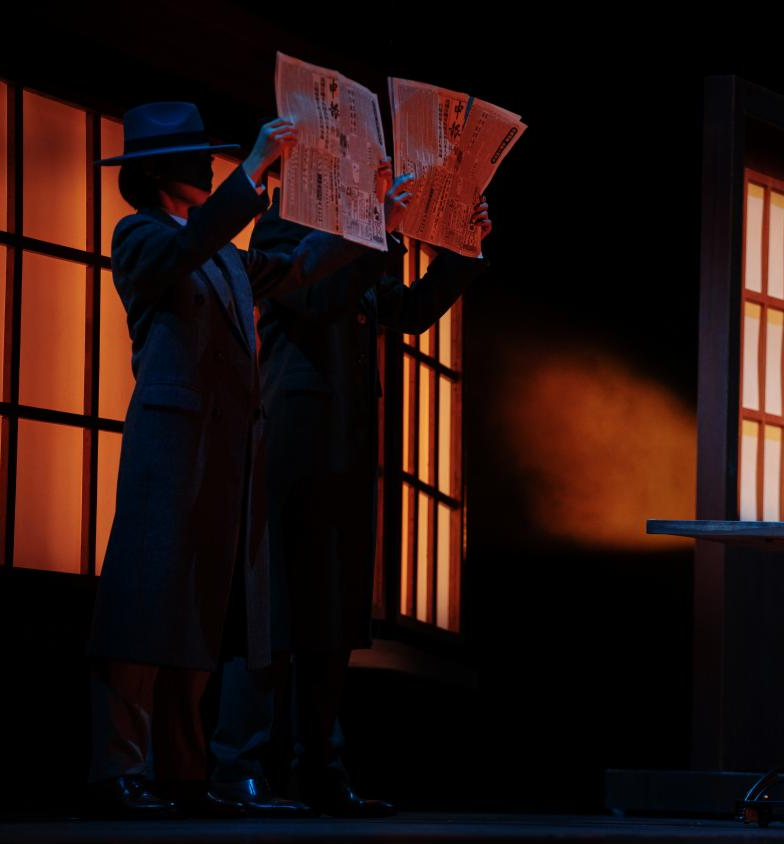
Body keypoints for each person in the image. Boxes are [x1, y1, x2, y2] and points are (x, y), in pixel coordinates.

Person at [88, 101, 408, 818]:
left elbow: (297, 272)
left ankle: (183, 773)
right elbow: (186, 250)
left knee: (203, 613)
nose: (210, 165)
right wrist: (256, 170)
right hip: (171, 438)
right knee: (143, 601)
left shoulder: (225, 256)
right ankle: (117, 770)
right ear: (157, 173)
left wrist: (374, 223)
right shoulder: (140, 234)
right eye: (195, 156)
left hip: (229, 448)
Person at [207, 178, 491, 816]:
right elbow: (314, 295)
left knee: (333, 603)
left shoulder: (357, 235)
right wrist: (378, 231)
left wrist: (461, 249)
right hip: (294, 430)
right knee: (276, 602)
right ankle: (238, 764)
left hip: (347, 436)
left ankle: (319, 766)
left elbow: (406, 310)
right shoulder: (290, 219)